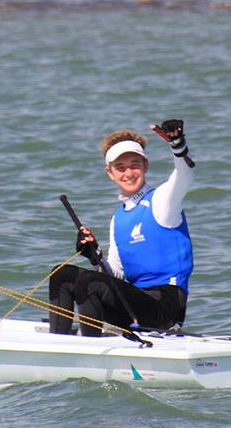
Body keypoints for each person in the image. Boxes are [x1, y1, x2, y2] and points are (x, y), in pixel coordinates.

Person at [48, 120, 195, 336]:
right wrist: (94, 256)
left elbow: (184, 176)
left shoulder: (162, 200)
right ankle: (59, 344)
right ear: (110, 173)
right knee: (62, 274)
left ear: (145, 166)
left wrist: (178, 145)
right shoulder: (118, 220)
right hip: (134, 303)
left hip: (166, 307)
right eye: (120, 167)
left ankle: (90, 352)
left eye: (134, 165)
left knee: (90, 283)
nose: (128, 173)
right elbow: (115, 275)